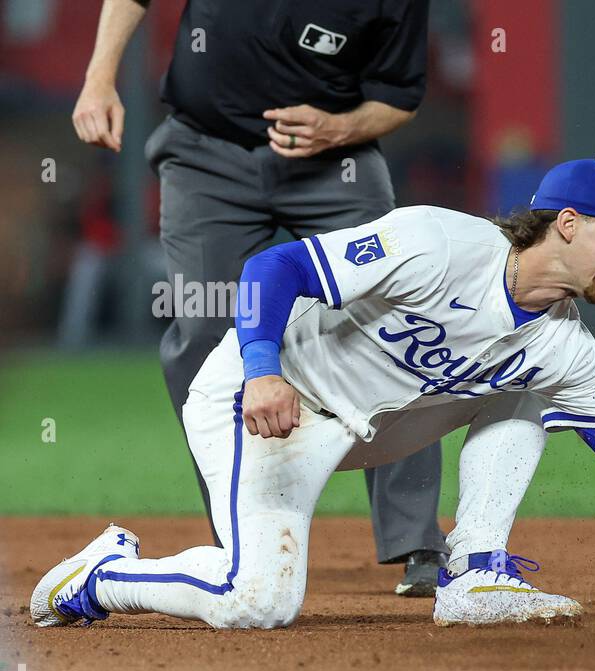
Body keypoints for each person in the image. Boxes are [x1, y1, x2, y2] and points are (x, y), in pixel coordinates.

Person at [30, 158, 595, 630]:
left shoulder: (570, 348)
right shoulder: (439, 242)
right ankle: (101, 576)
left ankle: (477, 568)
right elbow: (275, 268)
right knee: (255, 603)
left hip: (376, 428)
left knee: (536, 384)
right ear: (569, 224)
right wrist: (261, 367)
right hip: (264, 404)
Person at [71, 0, 448, 594]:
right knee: (201, 328)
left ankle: (416, 538)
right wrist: (98, 80)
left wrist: (341, 128)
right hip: (204, 154)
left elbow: (399, 94)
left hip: (334, 161)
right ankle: (237, 532)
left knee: (389, 318)